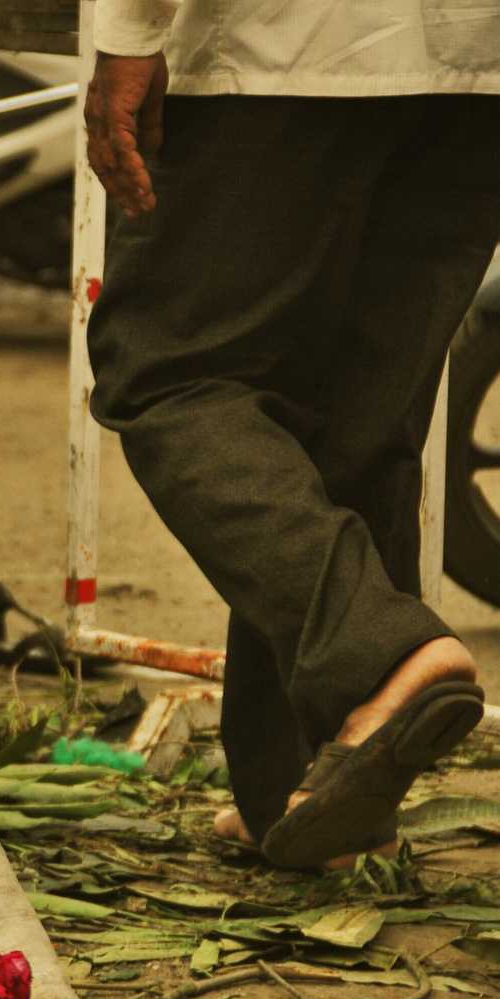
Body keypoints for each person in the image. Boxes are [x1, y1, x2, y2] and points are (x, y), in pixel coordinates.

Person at [82, 0, 500, 869]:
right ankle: (313, 786)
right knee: (359, 417)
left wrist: (129, 35)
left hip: (291, 47)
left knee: (166, 371)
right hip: (476, 60)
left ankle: (381, 657)